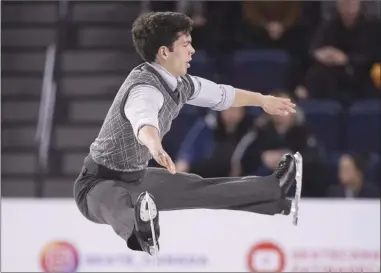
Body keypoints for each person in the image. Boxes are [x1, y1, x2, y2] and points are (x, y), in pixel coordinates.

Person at [73, 11, 299, 257]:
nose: (192, 51)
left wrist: (263, 101)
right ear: (164, 52)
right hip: (95, 186)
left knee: (198, 187)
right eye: (186, 44)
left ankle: (274, 192)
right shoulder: (143, 88)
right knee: (115, 200)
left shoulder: (182, 84)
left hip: (137, 179)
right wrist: (155, 147)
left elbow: (222, 95)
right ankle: (141, 231)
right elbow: (143, 121)